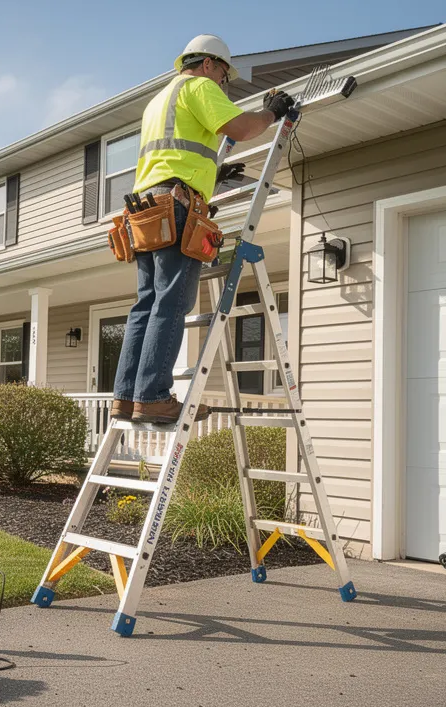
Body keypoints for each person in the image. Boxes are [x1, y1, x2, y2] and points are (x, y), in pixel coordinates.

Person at [112, 34, 291, 424]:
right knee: (172, 301)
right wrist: (272, 112)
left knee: (146, 303)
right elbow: (242, 128)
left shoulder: (160, 99)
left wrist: (210, 173)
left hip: (145, 208)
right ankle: (154, 396)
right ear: (209, 64)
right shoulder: (198, 86)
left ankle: (126, 396)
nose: (223, 84)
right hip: (174, 205)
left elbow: (177, 152)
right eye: (224, 76)